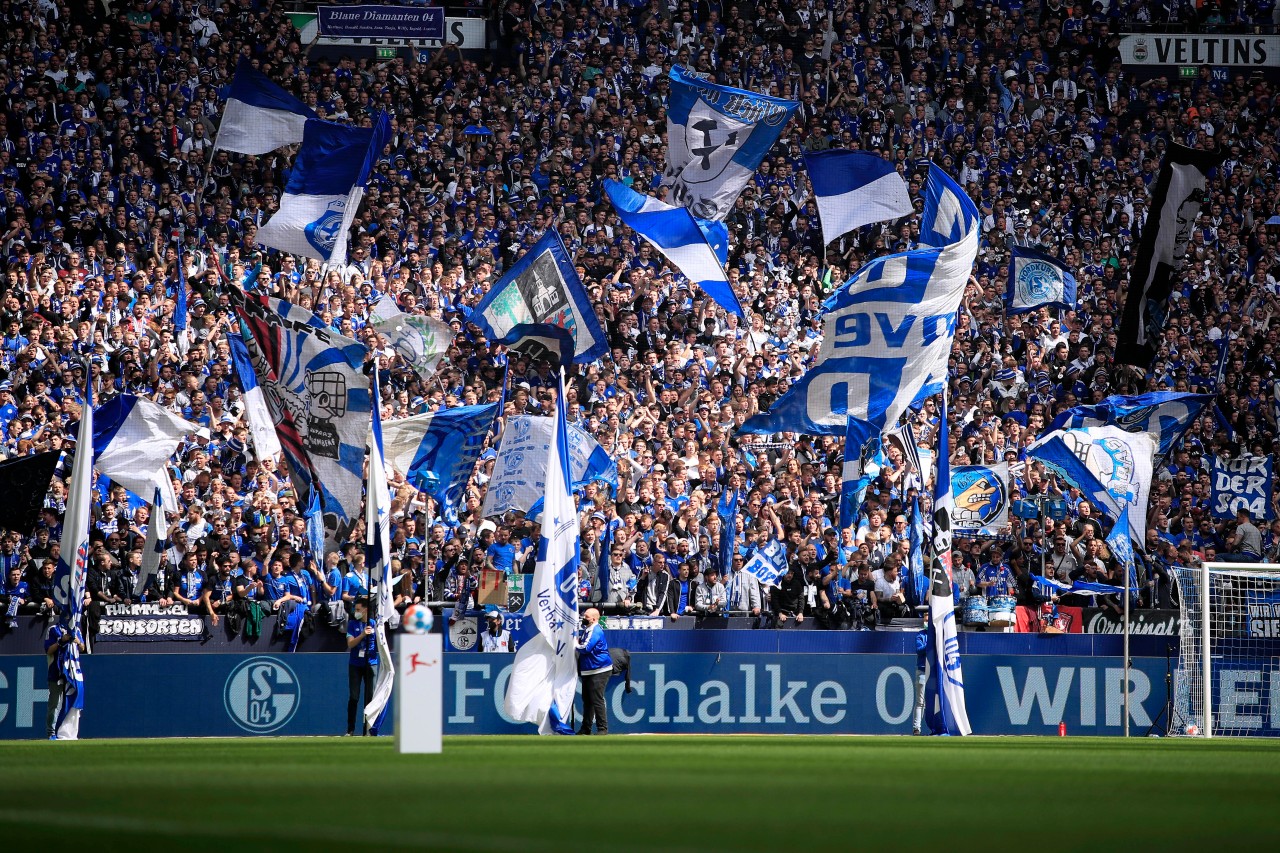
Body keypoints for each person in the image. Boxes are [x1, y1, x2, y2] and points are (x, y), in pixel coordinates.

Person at [44, 616, 84, 739]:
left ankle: (66, 732)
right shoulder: (53, 629)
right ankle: (51, 732)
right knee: (54, 704)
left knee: (71, 701)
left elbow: (83, 648)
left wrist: (77, 641)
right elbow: (48, 650)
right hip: (56, 672)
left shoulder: (76, 630)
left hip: (72, 673)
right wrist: (61, 641)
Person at [345, 596, 378, 737]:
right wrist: (363, 635)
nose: (356, 612)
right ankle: (350, 729)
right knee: (354, 697)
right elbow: (350, 644)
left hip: (371, 663)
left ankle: (368, 729)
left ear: (365, 610)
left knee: (370, 698)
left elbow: (381, 644)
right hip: (355, 665)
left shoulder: (374, 624)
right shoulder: (352, 624)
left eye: (358, 609)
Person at [576, 606, 610, 735]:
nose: (584, 618)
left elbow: (585, 648)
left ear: (594, 619)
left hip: (599, 669)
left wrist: (574, 644)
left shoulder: (595, 631)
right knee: (587, 700)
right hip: (589, 670)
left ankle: (602, 728)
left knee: (597, 699)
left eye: (586, 617)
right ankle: (586, 728)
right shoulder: (588, 629)